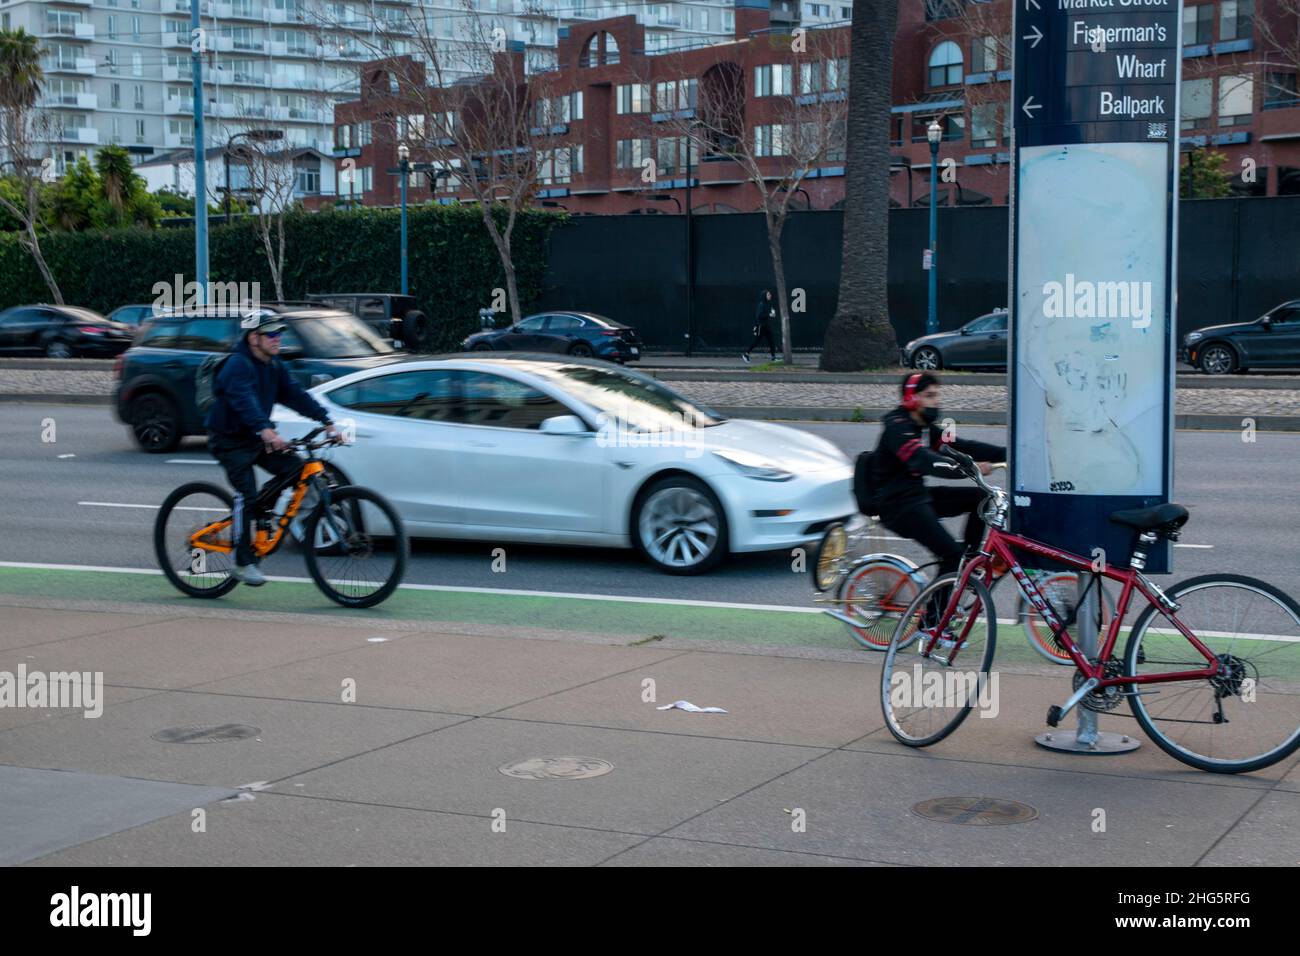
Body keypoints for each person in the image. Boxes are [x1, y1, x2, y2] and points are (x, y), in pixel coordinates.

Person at [205, 313, 340, 586]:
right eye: (270, 334)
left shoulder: (274, 366)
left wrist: (326, 420)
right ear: (253, 338)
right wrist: (265, 429)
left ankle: (263, 513)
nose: (277, 338)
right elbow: (243, 401)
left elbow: (296, 395)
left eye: (279, 333)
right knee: (246, 495)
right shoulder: (237, 365)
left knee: (297, 468)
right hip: (229, 441)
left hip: (256, 439)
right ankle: (244, 563)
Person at [872, 371, 1006, 586]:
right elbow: (923, 460)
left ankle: (968, 563)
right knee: (951, 556)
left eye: (937, 395)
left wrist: (1007, 453)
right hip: (898, 506)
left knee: (982, 497)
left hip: (918, 497)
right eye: (929, 395)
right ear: (910, 398)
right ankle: (933, 619)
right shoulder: (897, 427)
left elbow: (959, 445)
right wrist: (969, 468)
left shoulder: (925, 428)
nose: (936, 400)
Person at [742, 289, 778, 364]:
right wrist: (769, 315)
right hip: (761, 326)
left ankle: (773, 357)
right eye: (768, 295)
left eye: (770, 294)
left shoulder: (768, 304)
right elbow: (759, 316)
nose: (770, 296)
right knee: (756, 341)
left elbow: (768, 313)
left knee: (772, 341)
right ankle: (746, 354)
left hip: (766, 326)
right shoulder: (761, 305)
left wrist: (772, 314)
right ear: (765, 296)